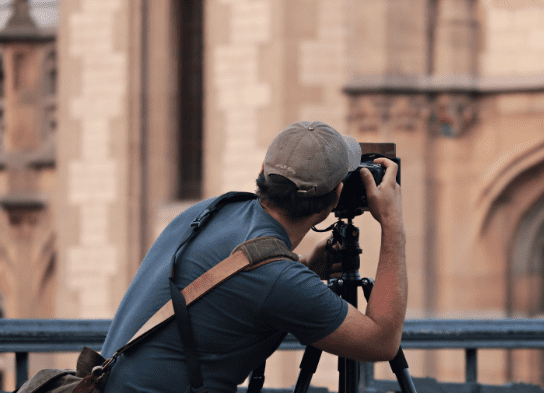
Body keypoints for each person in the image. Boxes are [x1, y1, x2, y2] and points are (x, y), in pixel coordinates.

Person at [99, 121, 407, 392]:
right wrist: (392, 225)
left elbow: (241, 280)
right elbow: (382, 341)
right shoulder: (277, 279)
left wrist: (307, 267)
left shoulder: (211, 210)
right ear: (335, 198)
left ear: (263, 171)